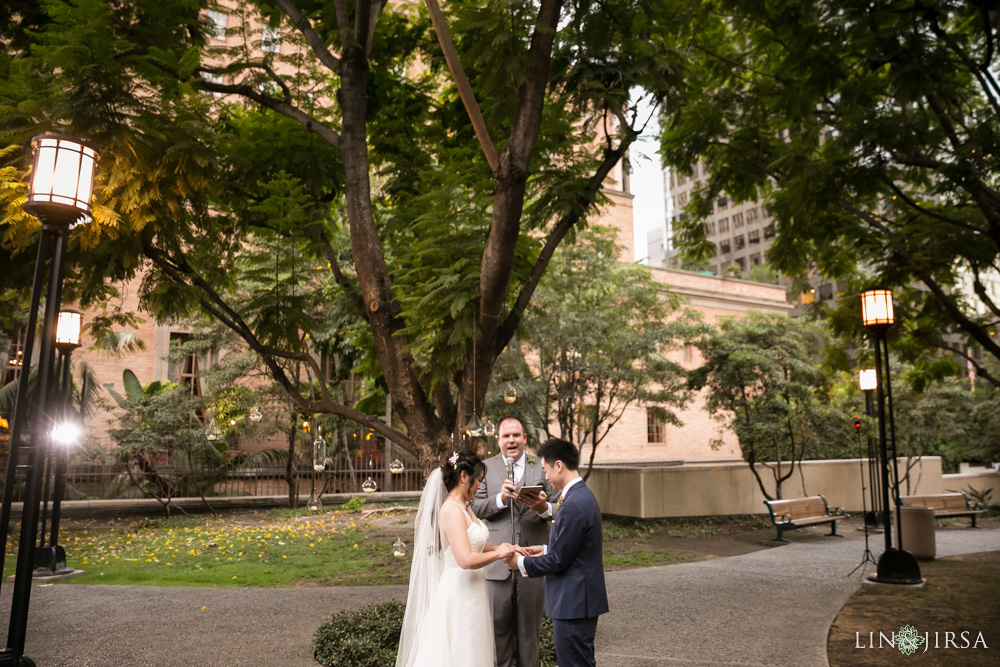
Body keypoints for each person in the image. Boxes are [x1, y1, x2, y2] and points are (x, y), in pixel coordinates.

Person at [396, 450, 516, 667]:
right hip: (460, 594)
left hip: (474, 590)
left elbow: (474, 543)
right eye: (478, 480)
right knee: (462, 652)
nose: (479, 486)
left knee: (475, 650)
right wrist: (498, 554)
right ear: (463, 477)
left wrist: (501, 547)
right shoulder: (452, 510)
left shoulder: (465, 507)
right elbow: (465, 559)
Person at [507, 438, 608, 667]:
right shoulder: (579, 495)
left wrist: (520, 563)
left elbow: (559, 561)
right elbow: (572, 547)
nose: (546, 477)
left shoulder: (574, 503)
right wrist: (544, 549)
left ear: (559, 465)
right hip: (579, 599)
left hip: (573, 602)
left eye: (546, 470)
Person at [470, 418, 555, 667]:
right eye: (506, 436)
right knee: (497, 635)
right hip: (497, 564)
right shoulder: (484, 468)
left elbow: (560, 505)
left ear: (525, 438)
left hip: (533, 561)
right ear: (498, 439)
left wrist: (542, 508)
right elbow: (474, 507)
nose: (511, 441)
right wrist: (500, 499)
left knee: (530, 634)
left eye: (516, 435)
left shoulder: (540, 466)